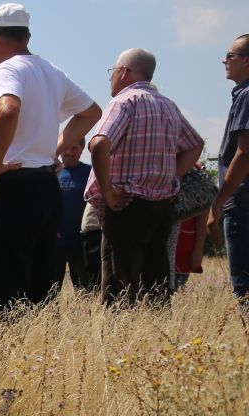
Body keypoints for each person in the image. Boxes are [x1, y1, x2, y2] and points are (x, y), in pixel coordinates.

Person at [0, 3, 101, 308]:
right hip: (45, 184)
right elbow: (91, 112)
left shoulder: (6, 69)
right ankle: (35, 344)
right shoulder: (51, 71)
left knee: (7, 280)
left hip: (13, 184)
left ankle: (10, 344)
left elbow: (8, 109)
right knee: (39, 280)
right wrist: (55, 148)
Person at [86, 48, 203, 306]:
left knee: (120, 285)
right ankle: (156, 339)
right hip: (161, 207)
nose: (110, 78)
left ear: (124, 72)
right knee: (156, 283)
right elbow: (196, 144)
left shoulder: (124, 102)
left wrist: (107, 191)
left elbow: (99, 144)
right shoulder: (168, 105)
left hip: (126, 204)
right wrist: (172, 177)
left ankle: (121, 341)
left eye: (112, 72)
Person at [214, 33, 249, 302]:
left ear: (246, 61)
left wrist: (219, 200)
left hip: (242, 201)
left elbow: (244, 152)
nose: (224, 61)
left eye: (230, 56)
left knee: (243, 284)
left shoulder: (247, 95)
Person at [56, 138, 93, 291]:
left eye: (74, 148)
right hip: (55, 242)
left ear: (82, 149)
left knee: (85, 288)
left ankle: (84, 314)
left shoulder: (90, 172)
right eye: (66, 147)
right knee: (50, 289)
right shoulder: (50, 173)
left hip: (81, 242)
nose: (69, 152)